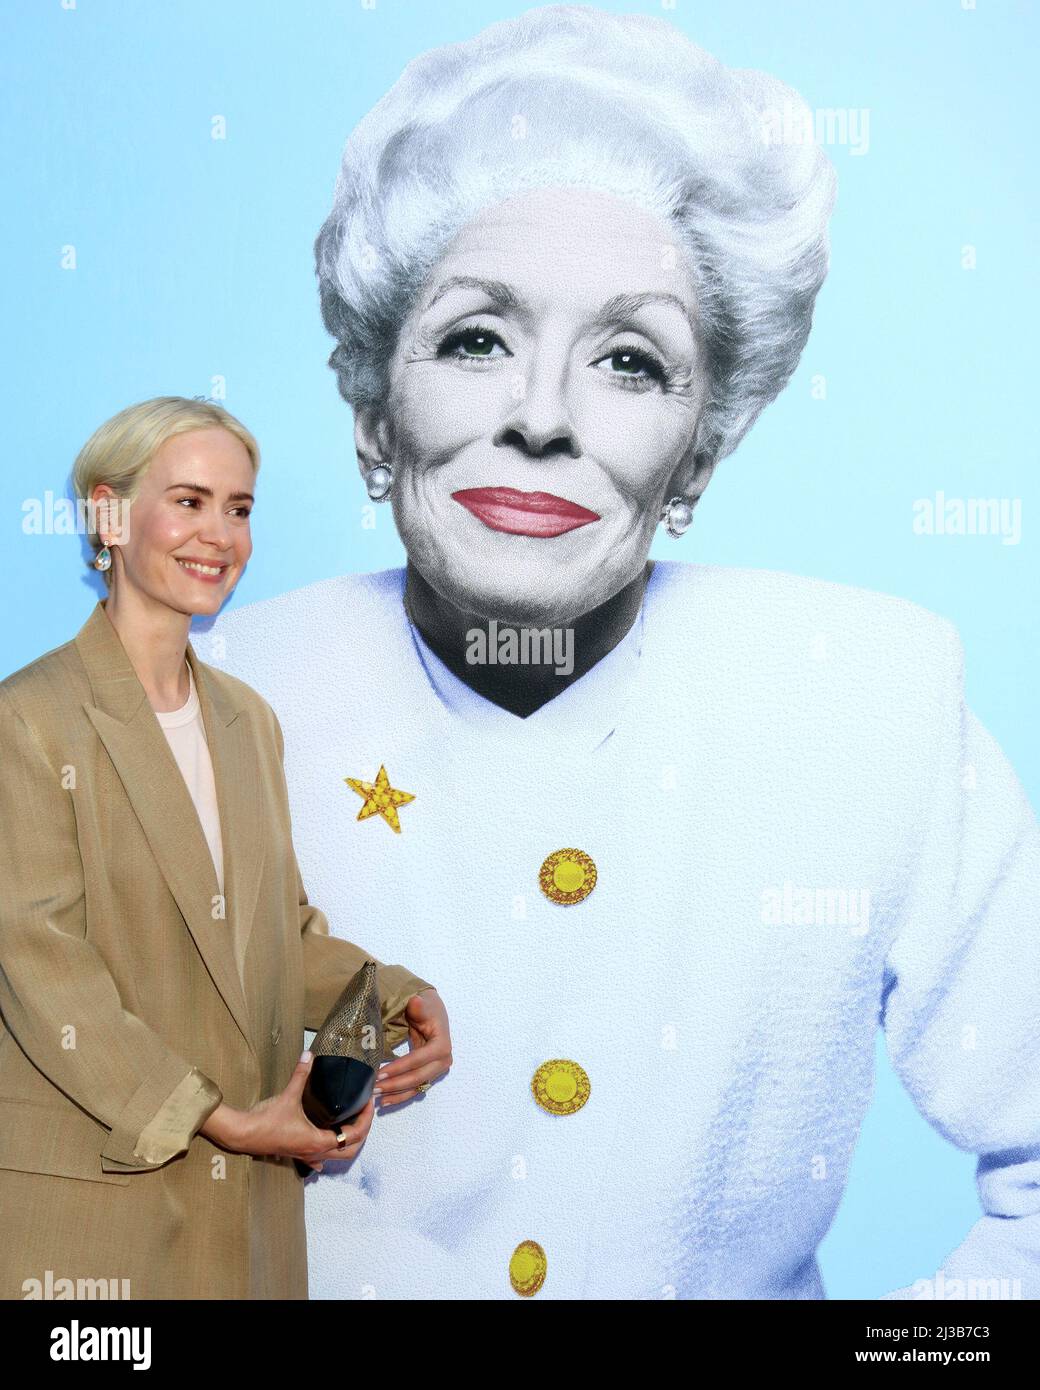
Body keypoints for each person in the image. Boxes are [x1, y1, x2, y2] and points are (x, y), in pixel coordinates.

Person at [212, 6, 1040, 1299]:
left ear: (704, 447)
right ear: (373, 405)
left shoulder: (873, 699)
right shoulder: (209, 713)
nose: (541, 417)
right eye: (476, 339)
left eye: (630, 360)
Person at [0, 396, 451, 1300]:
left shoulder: (248, 723)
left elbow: (272, 936)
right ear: (108, 515)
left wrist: (393, 994)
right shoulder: (29, 720)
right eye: (191, 501)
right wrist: (223, 1119)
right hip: (96, 1213)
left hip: (247, 1219)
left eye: (239, 508)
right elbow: (41, 970)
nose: (220, 535)